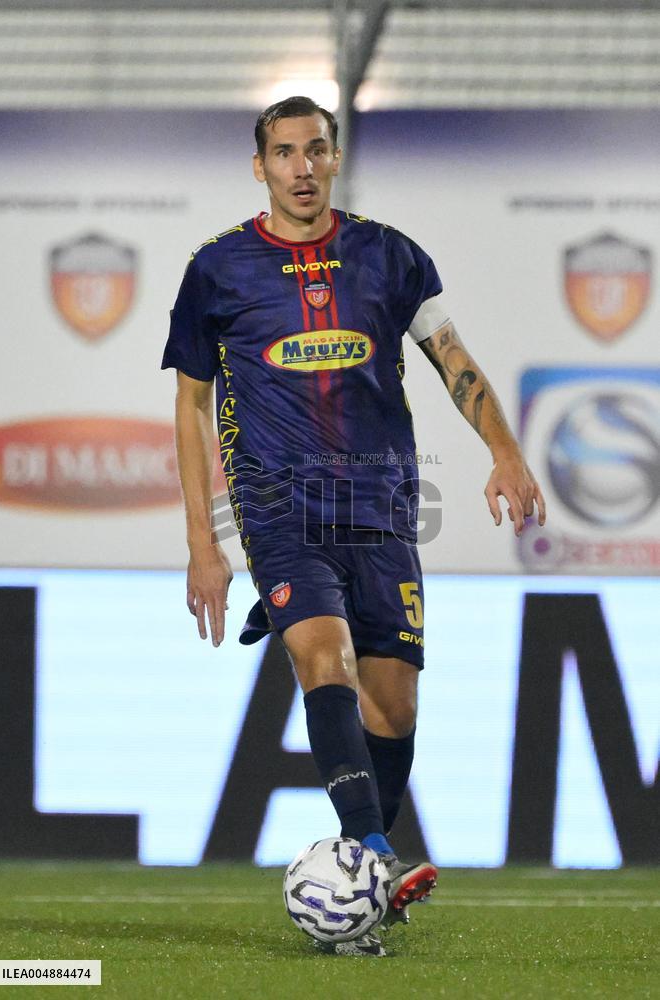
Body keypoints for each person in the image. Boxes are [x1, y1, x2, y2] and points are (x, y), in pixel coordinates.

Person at [162, 95, 546, 957]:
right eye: (285, 152)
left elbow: (454, 360)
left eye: (316, 151)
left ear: (334, 160)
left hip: (380, 504)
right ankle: (373, 854)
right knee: (321, 656)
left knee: (395, 706)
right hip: (276, 506)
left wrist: (506, 451)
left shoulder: (390, 256)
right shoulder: (218, 269)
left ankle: (368, 889)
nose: (302, 167)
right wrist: (203, 543)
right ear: (258, 165)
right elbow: (188, 408)